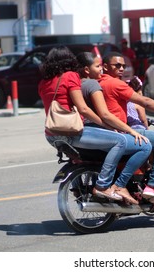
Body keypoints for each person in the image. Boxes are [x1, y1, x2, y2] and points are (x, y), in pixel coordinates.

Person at [38, 46, 133, 202]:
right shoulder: (70, 76)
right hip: (71, 132)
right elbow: (83, 109)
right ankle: (103, 185)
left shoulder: (43, 82)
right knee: (120, 141)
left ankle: (78, 186)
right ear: (69, 60)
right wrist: (106, 125)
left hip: (51, 135)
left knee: (77, 157)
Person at [99, 51, 154, 203]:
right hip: (121, 131)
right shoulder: (116, 83)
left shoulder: (98, 83)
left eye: (123, 66)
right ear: (105, 66)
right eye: (117, 65)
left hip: (105, 132)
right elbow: (144, 102)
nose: (121, 69)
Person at [76, 51, 151, 205]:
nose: (100, 70)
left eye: (123, 65)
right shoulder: (94, 84)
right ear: (86, 69)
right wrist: (127, 130)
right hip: (98, 130)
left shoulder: (75, 85)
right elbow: (105, 114)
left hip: (84, 132)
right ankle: (120, 186)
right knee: (144, 145)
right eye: (97, 66)